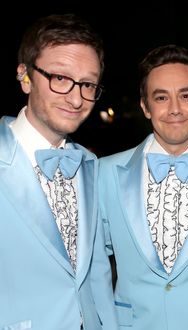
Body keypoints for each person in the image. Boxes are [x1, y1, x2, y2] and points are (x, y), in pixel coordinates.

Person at [98, 44, 188, 330]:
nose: (175, 109)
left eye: (186, 96)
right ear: (145, 106)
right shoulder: (106, 173)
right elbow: (92, 266)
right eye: (161, 97)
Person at [0, 14, 117, 330]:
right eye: (61, 79)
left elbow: (97, 276)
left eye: (88, 84)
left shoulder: (91, 167)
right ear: (25, 76)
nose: (77, 98)